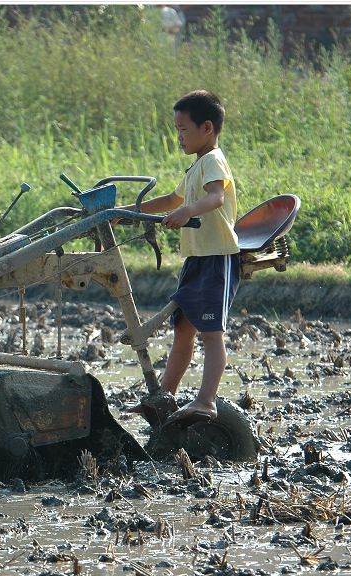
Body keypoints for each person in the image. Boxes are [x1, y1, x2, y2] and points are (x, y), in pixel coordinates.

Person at [123, 90, 240, 426]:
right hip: (196, 259)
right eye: (177, 130)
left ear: (207, 128)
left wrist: (188, 210)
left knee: (211, 334)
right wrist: (130, 211)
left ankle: (206, 401)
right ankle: (165, 398)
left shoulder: (214, 161)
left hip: (217, 258)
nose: (179, 137)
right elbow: (172, 199)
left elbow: (216, 198)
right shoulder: (196, 167)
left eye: (183, 129)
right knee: (183, 332)